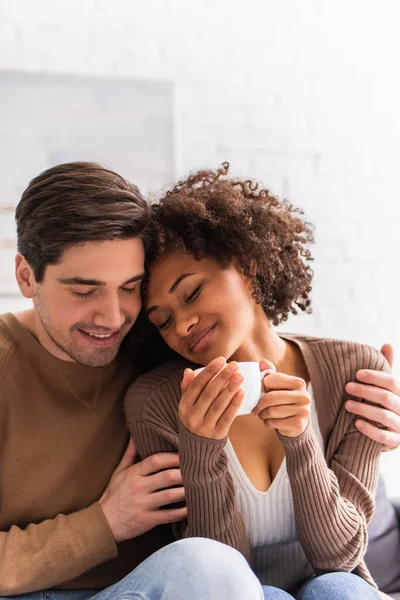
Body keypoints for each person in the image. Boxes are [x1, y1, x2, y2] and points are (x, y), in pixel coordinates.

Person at [125, 163, 400, 600]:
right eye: (162, 321)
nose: (183, 325)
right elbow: (218, 574)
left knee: (339, 590)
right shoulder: (158, 404)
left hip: (338, 584)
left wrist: (301, 438)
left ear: (247, 263)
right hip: (238, 592)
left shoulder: (355, 371)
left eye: (192, 293)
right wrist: (201, 446)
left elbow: (341, 556)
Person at [0, 162, 267, 600]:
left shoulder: (155, 343)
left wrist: (366, 407)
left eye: (130, 287)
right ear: (27, 276)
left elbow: (258, 349)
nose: (112, 318)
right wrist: (105, 523)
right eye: (84, 291)